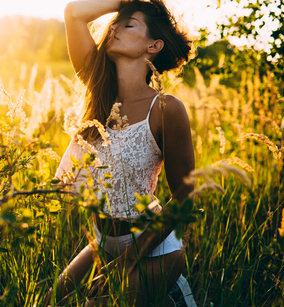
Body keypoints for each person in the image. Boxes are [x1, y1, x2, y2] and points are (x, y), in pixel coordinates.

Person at [43, 0, 196, 306]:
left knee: (97, 304)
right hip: (103, 241)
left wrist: (127, 260)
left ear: (153, 45)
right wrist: (128, 2)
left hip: (154, 248)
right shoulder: (98, 90)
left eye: (128, 24)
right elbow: (73, 12)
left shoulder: (166, 109)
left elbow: (185, 197)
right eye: (115, 23)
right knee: (45, 302)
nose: (113, 27)